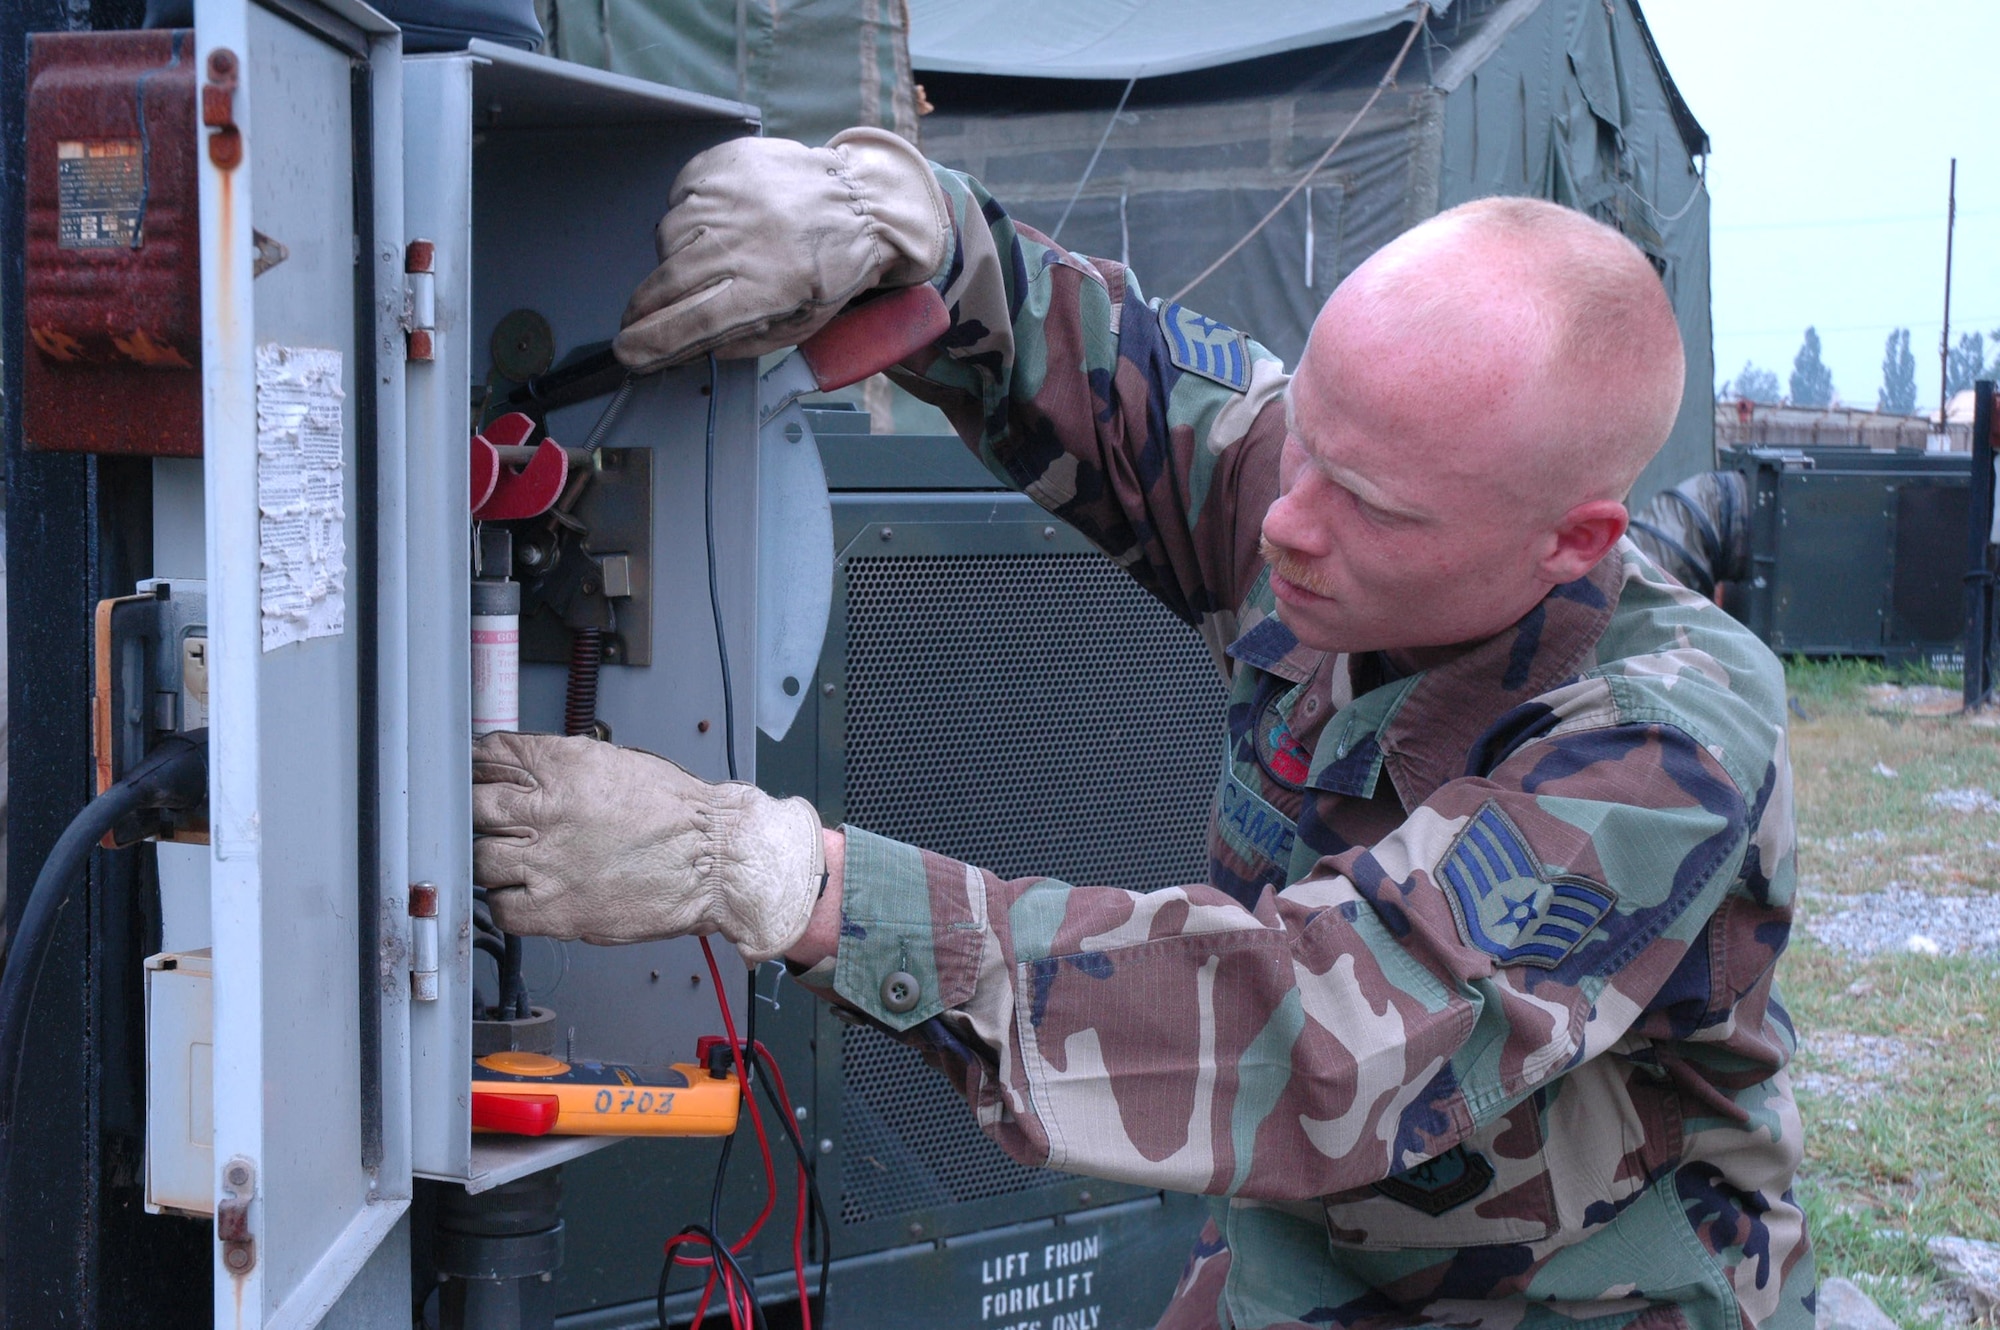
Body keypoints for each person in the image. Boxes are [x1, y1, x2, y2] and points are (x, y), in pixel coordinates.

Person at [472, 129, 1815, 1330]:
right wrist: (914, 225)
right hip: (1320, 1257)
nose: (1287, 518)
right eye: (1307, 446)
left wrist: (784, 877)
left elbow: (1306, 1029)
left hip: (1581, 1295)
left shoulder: (1664, 741)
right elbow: (1134, 390)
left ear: (1567, 542)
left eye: (1366, 499)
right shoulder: (1336, 494)